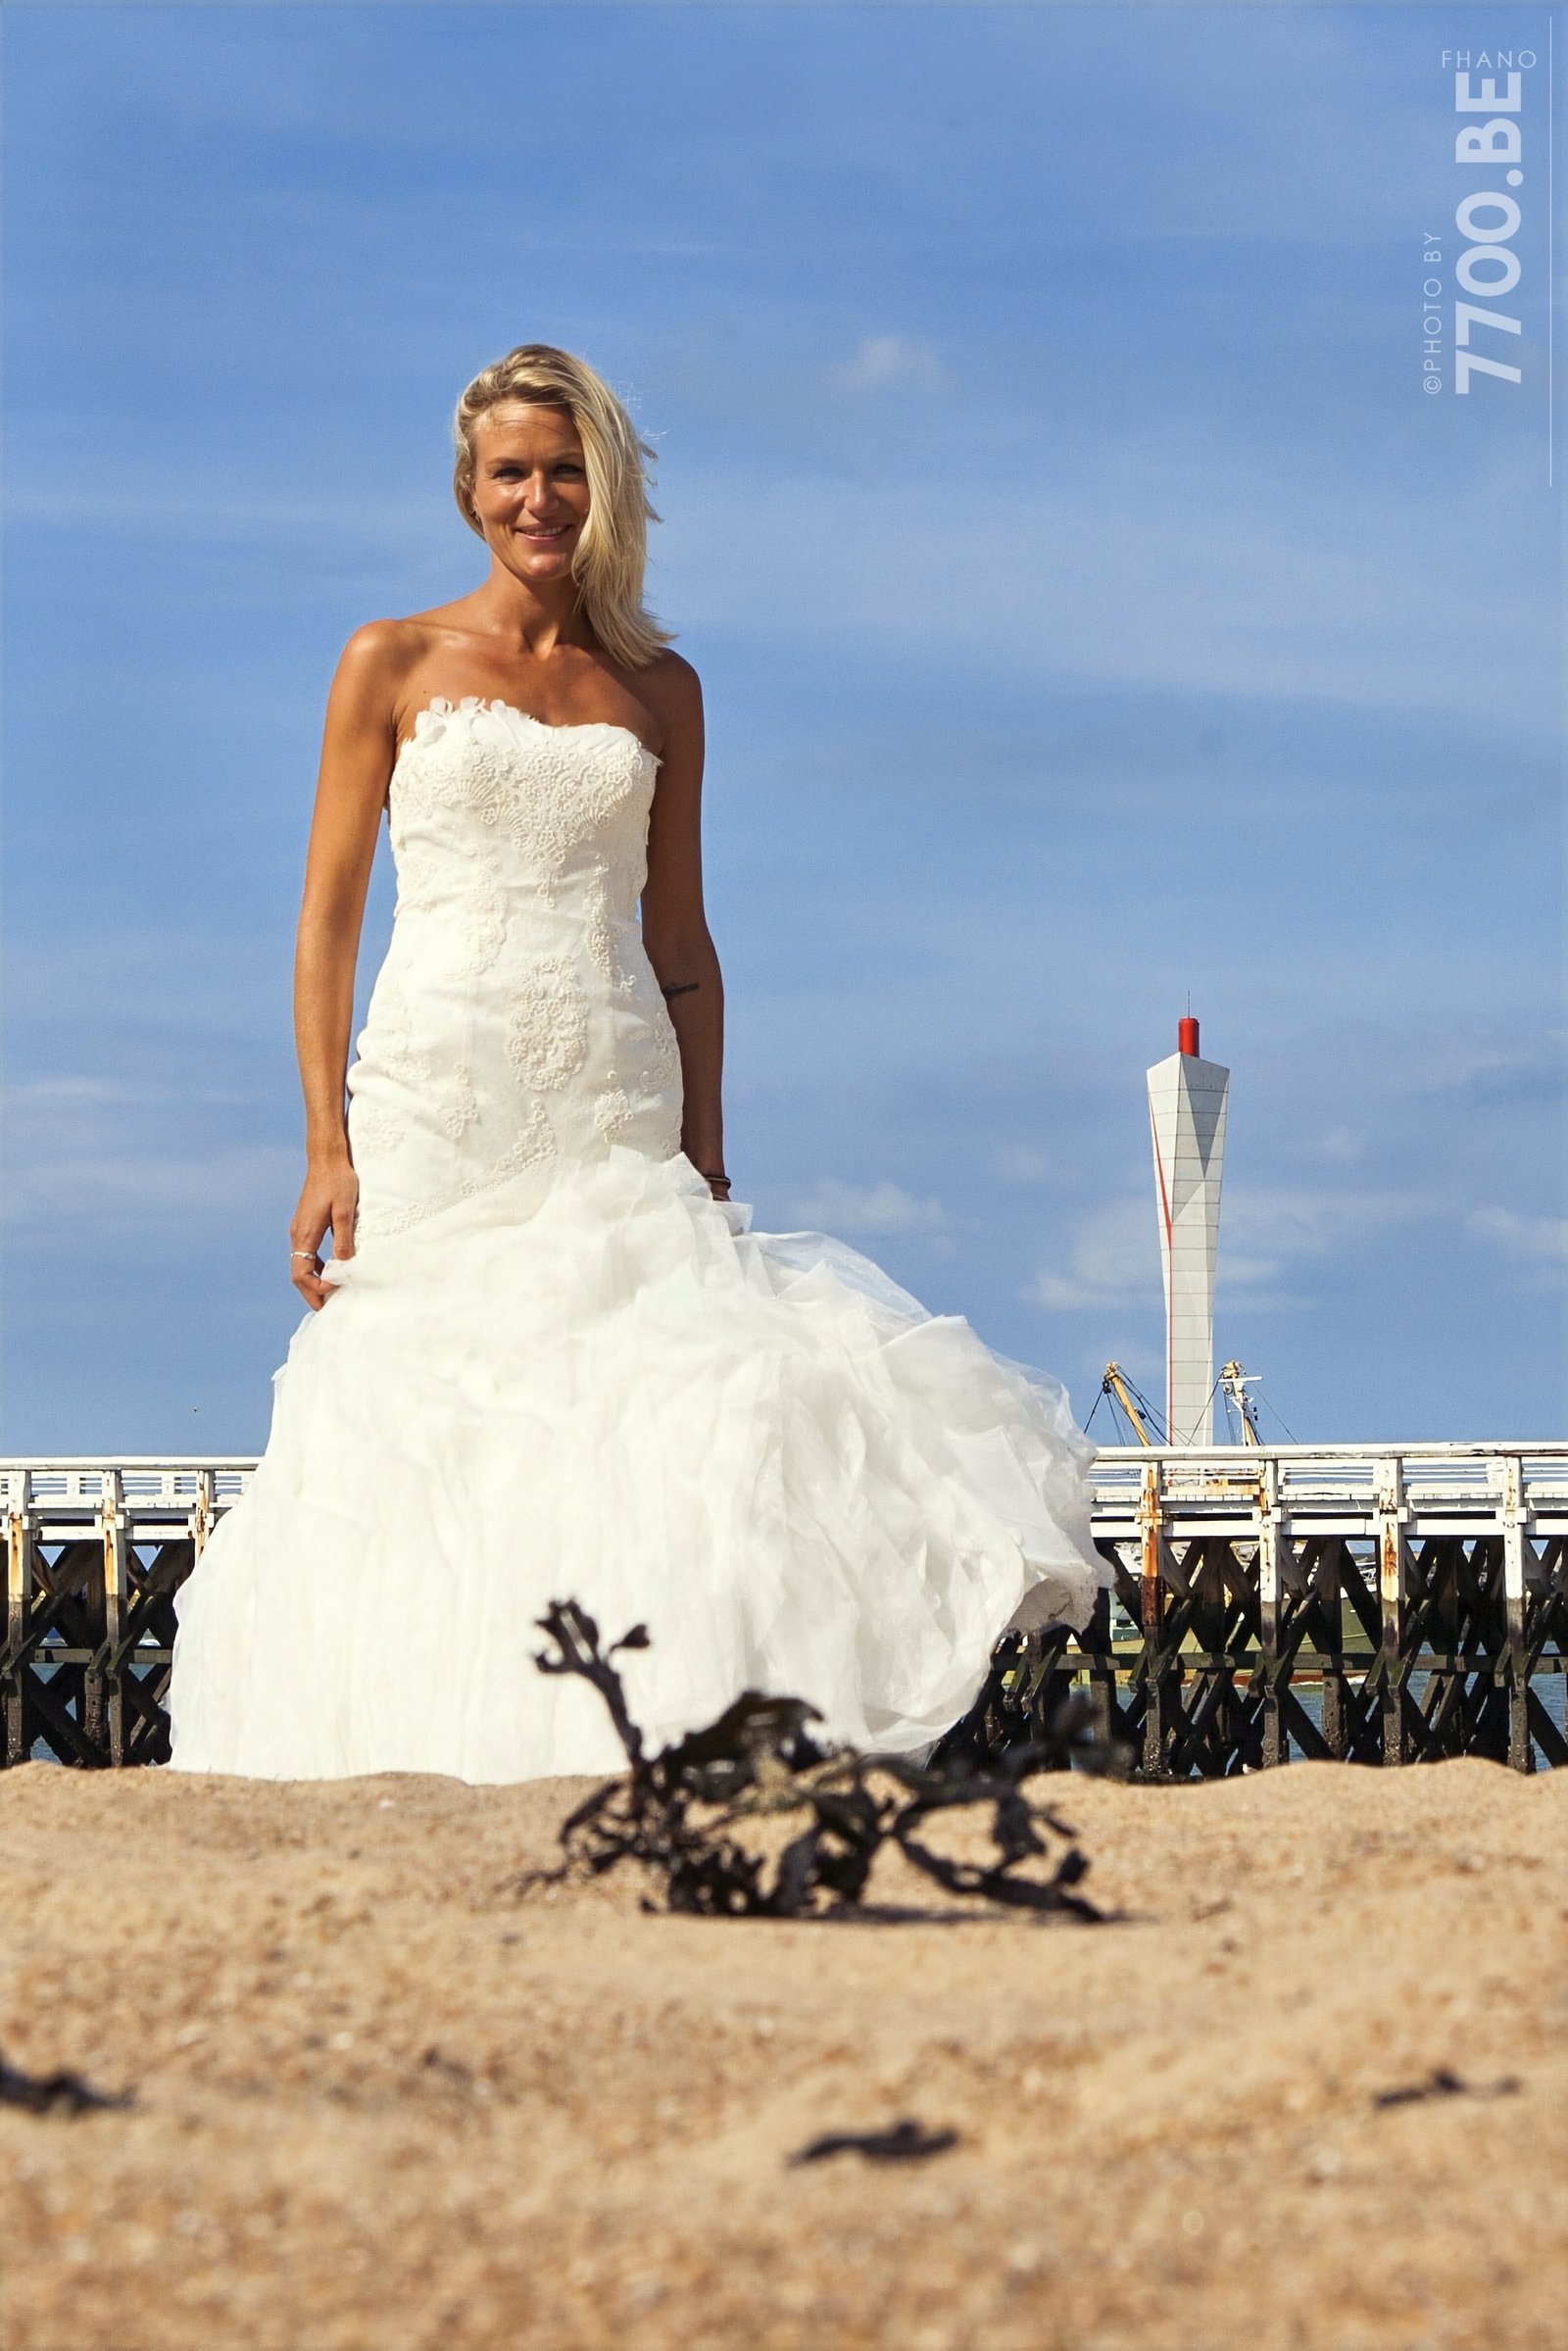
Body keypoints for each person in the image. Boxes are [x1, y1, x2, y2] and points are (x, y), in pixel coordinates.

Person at [166, 342, 1109, 1783]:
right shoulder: (390, 660)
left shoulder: (663, 690)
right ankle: (423, 1750)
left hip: (615, 1083)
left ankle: (633, 1743)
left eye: (563, 468)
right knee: (431, 1404)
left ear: (602, 483)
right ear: (468, 492)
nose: (537, 497)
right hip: (436, 1087)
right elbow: (328, 921)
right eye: (510, 473)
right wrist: (323, 1146)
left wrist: (709, 1143)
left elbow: (684, 939)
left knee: (649, 1399)